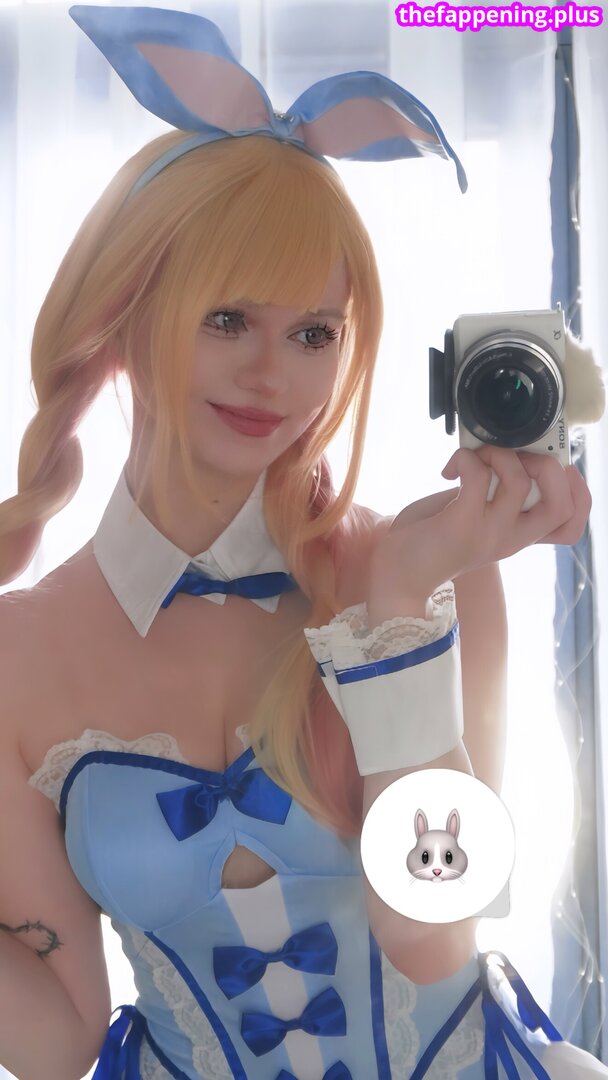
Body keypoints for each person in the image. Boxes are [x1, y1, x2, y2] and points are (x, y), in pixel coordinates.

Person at [0, 5, 606, 1079]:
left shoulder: (434, 577)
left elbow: (433, 938)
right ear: (125, 316)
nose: (269, 375)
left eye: (313, 333)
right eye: (227, 318)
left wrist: (401, 602)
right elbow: (56, 1041)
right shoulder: (17, 653)